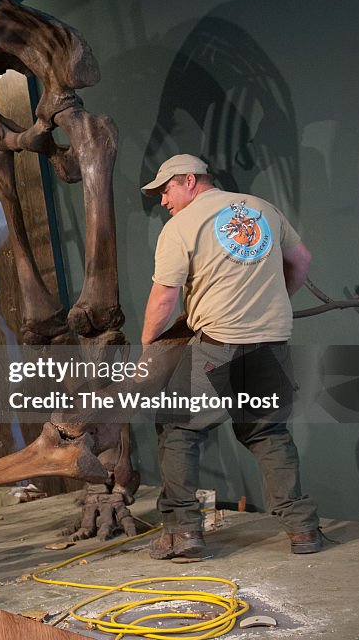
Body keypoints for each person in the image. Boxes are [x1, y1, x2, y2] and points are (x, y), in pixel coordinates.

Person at [140, 153, 321, 559]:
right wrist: (274, 304)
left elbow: (165, 296)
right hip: (272, 343)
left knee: (178, 430)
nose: (163, 201)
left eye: (166, 189)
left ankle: (183, 534)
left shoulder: (181, 227)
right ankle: (303, 530)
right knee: (267, 433)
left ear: (189, 180)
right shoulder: (262, 209)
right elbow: (303, 261)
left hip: (218, 345)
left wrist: (150, 345)